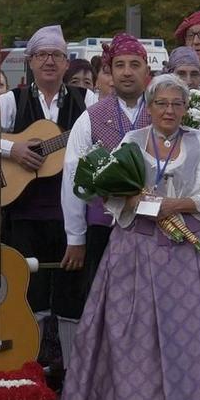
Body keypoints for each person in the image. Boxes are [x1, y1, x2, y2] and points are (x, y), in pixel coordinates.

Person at [62, 74, 200, 400]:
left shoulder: (198, 140)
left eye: (176, 104)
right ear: (149, 108)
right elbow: (112, 192)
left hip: (189, 247)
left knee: (190, 331)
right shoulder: (132, 141)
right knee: (131, 327)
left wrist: (172, 205)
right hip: (137, 245)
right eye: (161, 103)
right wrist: (135, 199)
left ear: (185, 109)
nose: (169, 110)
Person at [0, 25, 93, 386]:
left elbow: (104, 135)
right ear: (30, 62)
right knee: (28, 287)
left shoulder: (88, 102)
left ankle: (71, 370)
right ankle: (31, 365)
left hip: (70, 213)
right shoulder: (10, 102)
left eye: (57, 55)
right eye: (41, 55)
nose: (49, 61)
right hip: (23, 208)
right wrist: (13, 149)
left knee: (70, 288)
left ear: (67, 63)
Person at [59, 33, 154, 314]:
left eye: (134, 64)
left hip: (155, 226)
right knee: (106, 307)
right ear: (110, 72)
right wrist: (75, 237)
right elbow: (73, 175)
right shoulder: (91, 117)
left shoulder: (162, 110)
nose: (127, 72)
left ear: (147, 72)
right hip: (104, 228)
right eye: (120, 65)